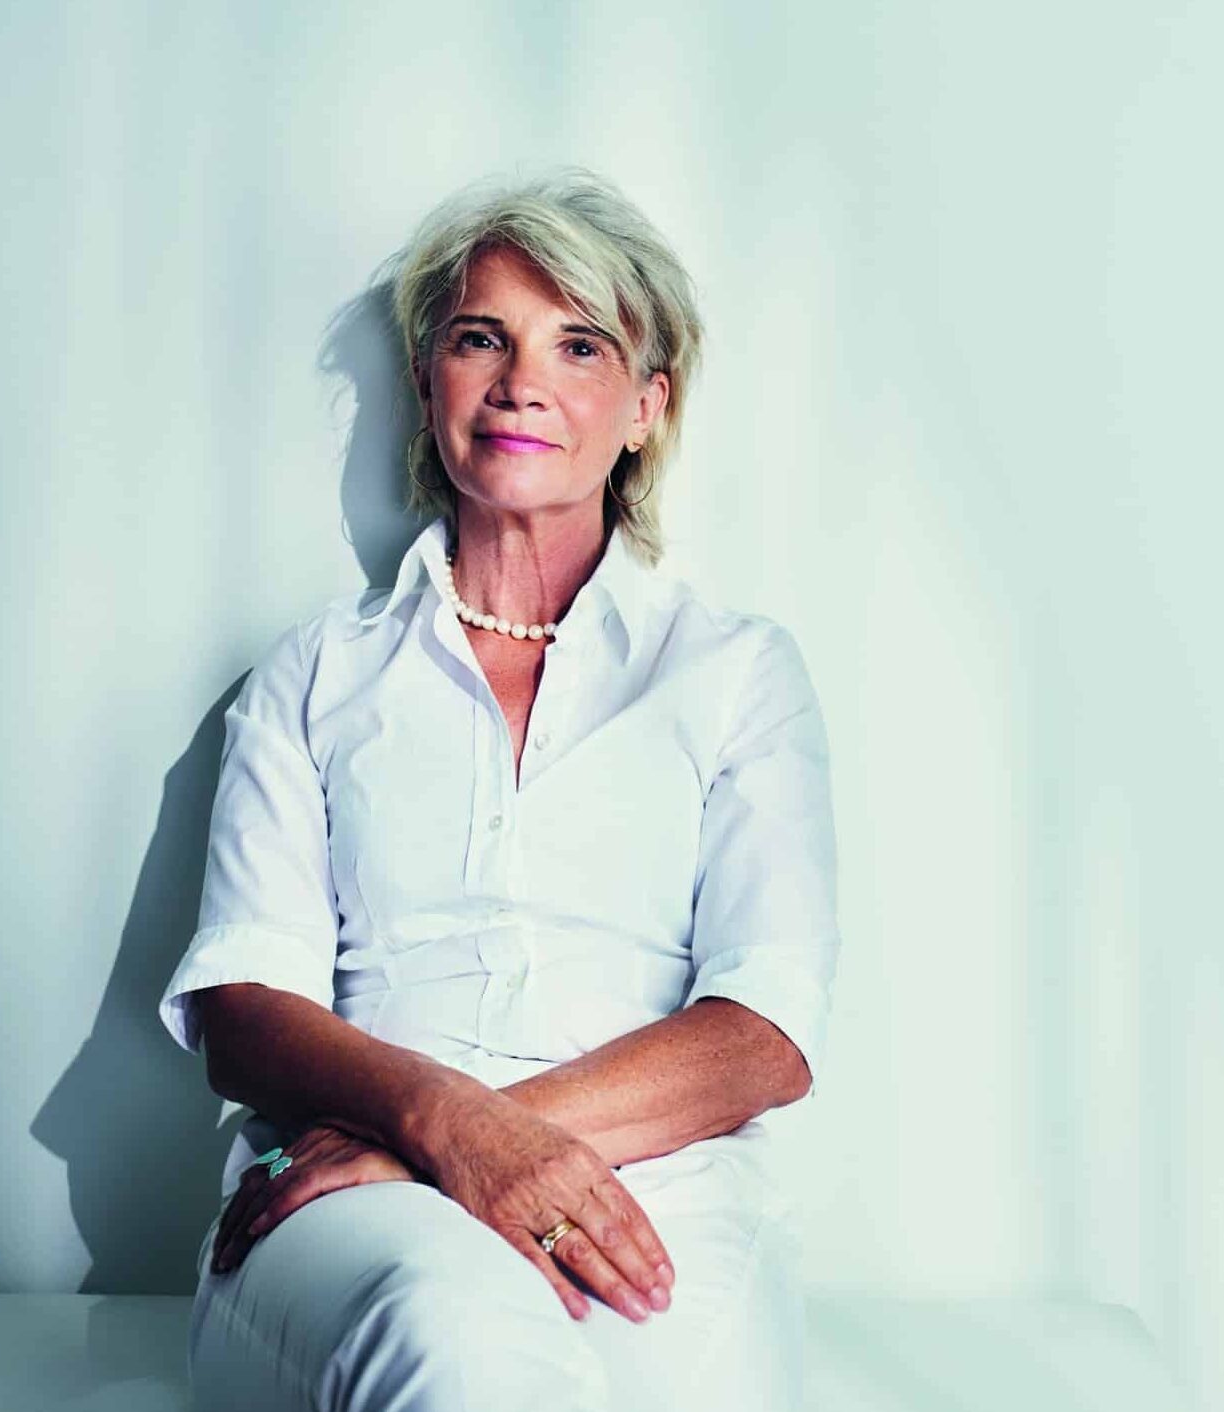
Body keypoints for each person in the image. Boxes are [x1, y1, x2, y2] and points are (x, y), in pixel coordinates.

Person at [157, 166, 842, 1411]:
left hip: (661, 1181)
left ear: (645, 404)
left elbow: (762, 1033)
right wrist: (438, 1126)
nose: (522, 380)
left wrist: (476, 1138)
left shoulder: (736, 671)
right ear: (429, 382)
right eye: (482, 337)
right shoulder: (314, 673)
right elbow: (245, 1011)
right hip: (346, 1193)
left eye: (577, 345)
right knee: (450, 1342)